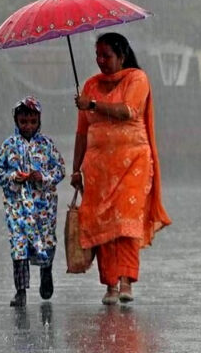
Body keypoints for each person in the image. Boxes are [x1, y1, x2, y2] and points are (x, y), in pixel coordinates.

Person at [71, 32, 170, 305]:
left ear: (122, 56)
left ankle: (126, 281)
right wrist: (76, 169)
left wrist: (91, 104)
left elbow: (128, 111)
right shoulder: (90, 85)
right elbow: (82, 132)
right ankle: (110, 285)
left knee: (126, 223)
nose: (101, 61)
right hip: (98, 169)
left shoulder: (137, 78)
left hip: (133, 164)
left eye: (107, 56)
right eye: (98, 56)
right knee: (103, 224)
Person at [0, 97, 64, 307]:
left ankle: (46, 271)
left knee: (46, 241)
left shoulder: (47, 145)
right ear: (16, 121)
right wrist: (13, 178)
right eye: (24, 122)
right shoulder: (9, 145)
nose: (28, 126)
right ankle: (20, 290)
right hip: (18, 207)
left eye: (32, 121)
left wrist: (43, 177)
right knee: (19, 246)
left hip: (44, 207)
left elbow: (60, 169)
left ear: (39, 121)